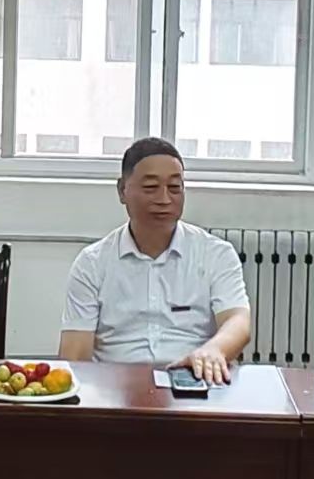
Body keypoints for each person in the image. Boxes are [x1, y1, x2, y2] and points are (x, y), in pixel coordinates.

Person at [59, 138, 251, 384]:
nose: (164, 199)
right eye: (151, 187)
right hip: (115, 386)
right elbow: (75, 355)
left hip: (193, 379)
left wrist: (214, 350)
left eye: (175, 188)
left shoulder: (215, 254)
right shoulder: (92, 263)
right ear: (122, 190)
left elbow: (238, 321)